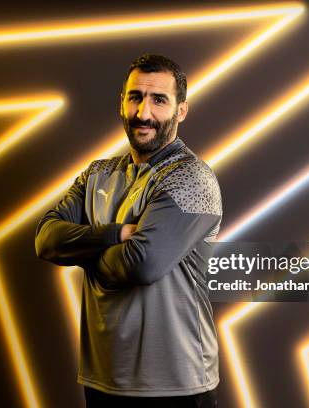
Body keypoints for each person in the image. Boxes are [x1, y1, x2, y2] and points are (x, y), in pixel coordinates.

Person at [35, 53, 222, 408]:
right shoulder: (97, 174)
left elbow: (142, 264)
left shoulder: (191, 178)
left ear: (181, 111)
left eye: (159, 100)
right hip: (103, 379)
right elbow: (46, 239)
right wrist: (116, 234)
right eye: (135, 97)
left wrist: (84, 254)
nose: (143, 113)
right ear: (122, 102)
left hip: (177, 386)